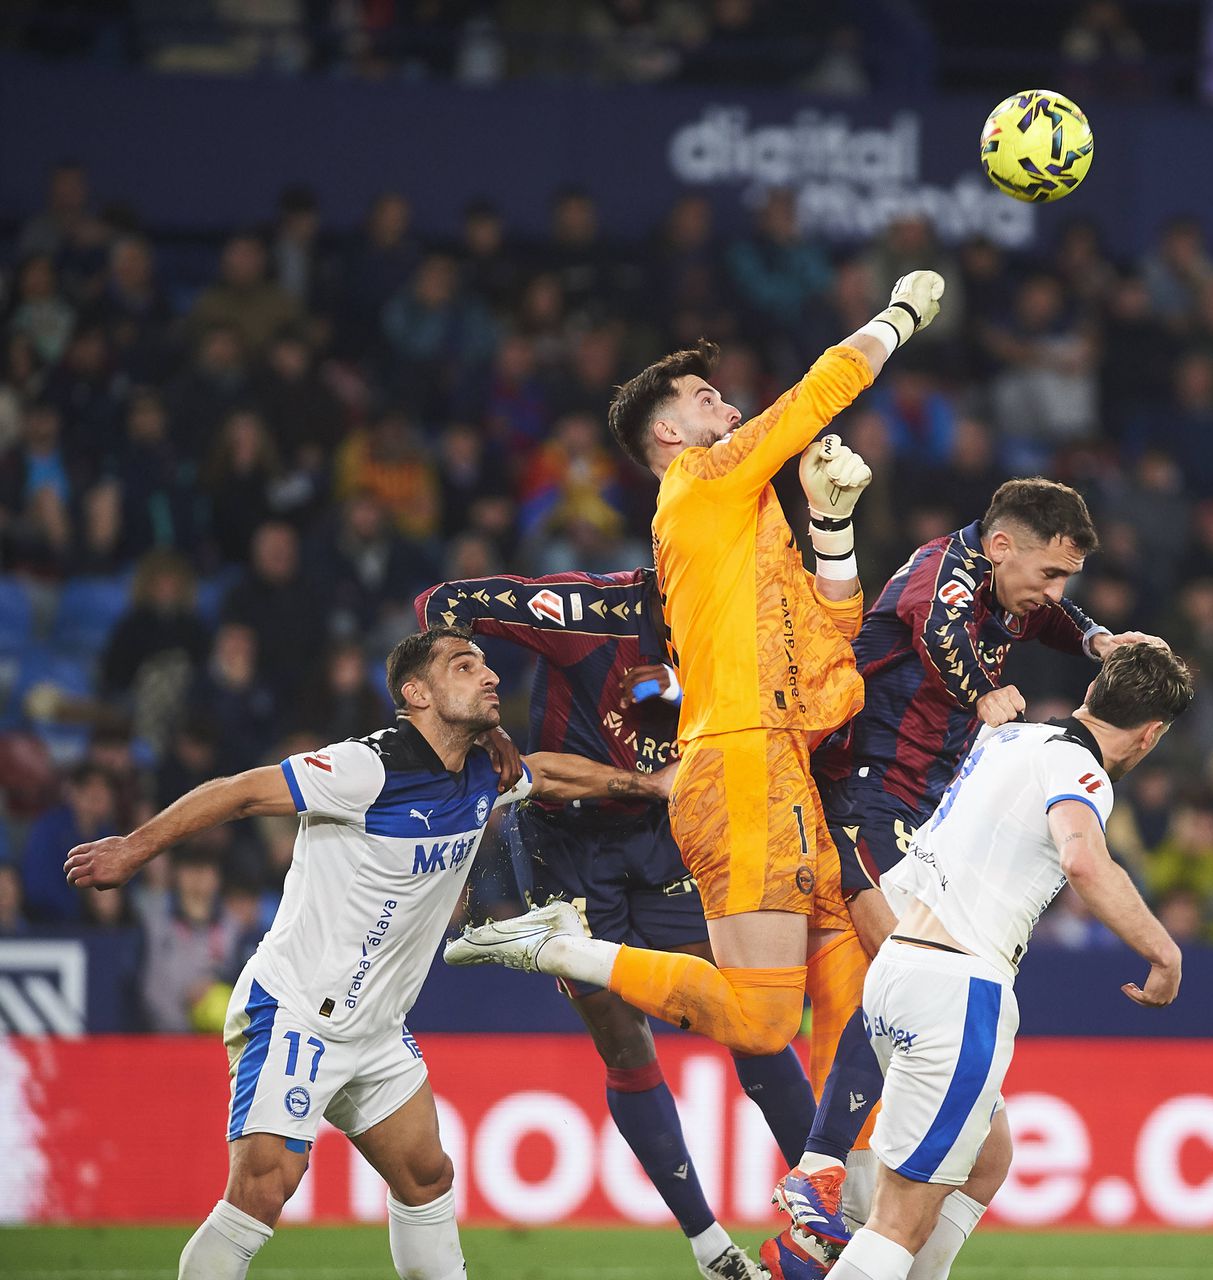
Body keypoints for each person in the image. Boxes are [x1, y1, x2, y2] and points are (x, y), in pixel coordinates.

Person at [448, 271, 945, 1096]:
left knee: (843, 971)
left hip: (773, 760)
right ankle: (551, 943)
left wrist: (831, 531)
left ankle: (828, 1193)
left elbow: (830, 644)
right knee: (762, 1021)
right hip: (744, 765)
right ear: (672, 431)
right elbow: (815, 395)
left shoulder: (740, 521)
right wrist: (896, 319)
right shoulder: (704, 480)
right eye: (709, 397)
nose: (731, 406)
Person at [63, 628, 659, 1280]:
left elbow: (551, 774)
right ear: (416, 694)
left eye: (487, 665)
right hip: (297, 1013)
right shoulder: (368, 767)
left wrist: (647, 785)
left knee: (428, 1176)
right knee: (262, 1192)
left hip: (376, 1034)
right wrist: (132, 848)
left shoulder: (485, 772)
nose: (489, 676)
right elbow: (238, 791)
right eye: (465, 666)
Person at [771, 479, 1160, 1256]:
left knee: (978, 1130)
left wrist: (1096, 642)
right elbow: (944, 638)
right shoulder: (940, 576)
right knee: (903, 958)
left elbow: (1046, 619)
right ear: (1002, 545)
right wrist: (984, 691)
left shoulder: (1007, 585)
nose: (1055, 593)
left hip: (919, 803)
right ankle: (819, 1178)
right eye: (1051, 573)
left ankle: (826, 1213)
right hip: (865, 788)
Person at [416, 566, 814, 1280]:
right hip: (567, 846)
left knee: (748, 1011)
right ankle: (710, 1248)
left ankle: (827, 1205)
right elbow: (441, 602)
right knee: (622, 1041)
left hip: (672, 838)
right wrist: (482, 723)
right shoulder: (583, 610)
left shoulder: (747, 626)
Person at [819, 643, 1194, 1280]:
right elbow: (1082, 859)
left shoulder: (1008, 739)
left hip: (898, 971)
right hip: (957, 988)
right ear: (1152, 733)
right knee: (899, 1219)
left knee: (988, 1158)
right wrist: (1163, 950)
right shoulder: (1082, 771)